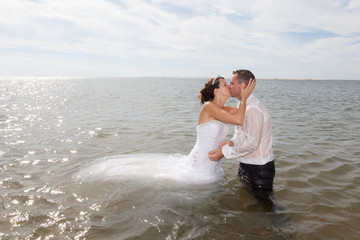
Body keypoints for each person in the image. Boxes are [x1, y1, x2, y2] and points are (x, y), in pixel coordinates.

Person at [174, 76, 255, 184]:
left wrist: (244, 93)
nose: (229, 86)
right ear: (216, 90)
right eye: (225, 85)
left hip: (214, 164)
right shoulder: (208, 107)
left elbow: (240, 109)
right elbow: (239, 120)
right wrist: (244, 98)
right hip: (200, 162)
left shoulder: (223, 109)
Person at [208, 69, 275, 195]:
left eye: (232, 83)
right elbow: (240, 133)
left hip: (259, 167)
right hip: (246, 164)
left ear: (243, 86)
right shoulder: (242, 105)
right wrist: (232, 142)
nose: (229, 86)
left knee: (265, 209)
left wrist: (224, 153)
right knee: (247, 204)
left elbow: (252, 143)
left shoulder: (253, 108)